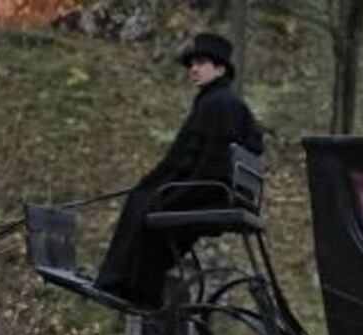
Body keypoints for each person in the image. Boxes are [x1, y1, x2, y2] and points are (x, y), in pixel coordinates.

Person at [95, 32, 264, 308]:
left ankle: (127, 287)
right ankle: (135, 288)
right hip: (220, 190)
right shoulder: (217, 101)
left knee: (144, 204)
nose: (194, 69)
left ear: (220, 69)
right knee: (143, 198)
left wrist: (173, 195)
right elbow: (188, 160)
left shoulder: (219, 104)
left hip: (214, 192)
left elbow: (211, 163)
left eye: (202, 63)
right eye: (192, 64)